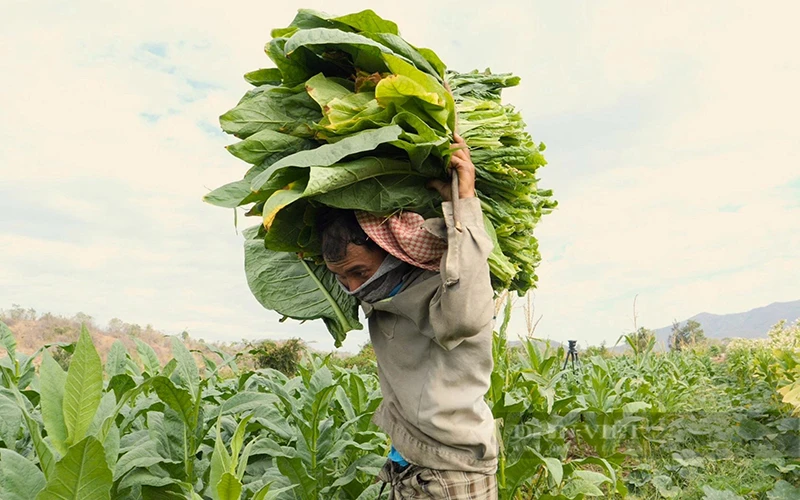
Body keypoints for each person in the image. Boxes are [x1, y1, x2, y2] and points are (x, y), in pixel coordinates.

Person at [317, 134, 498, 499]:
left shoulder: (446, 287)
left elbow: (464, 318)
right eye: (341, 278)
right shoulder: (381, 300)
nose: (352, 287)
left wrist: (463, 205)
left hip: (454, 470)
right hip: (408, 464)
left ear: (389, 249)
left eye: (359, 272)